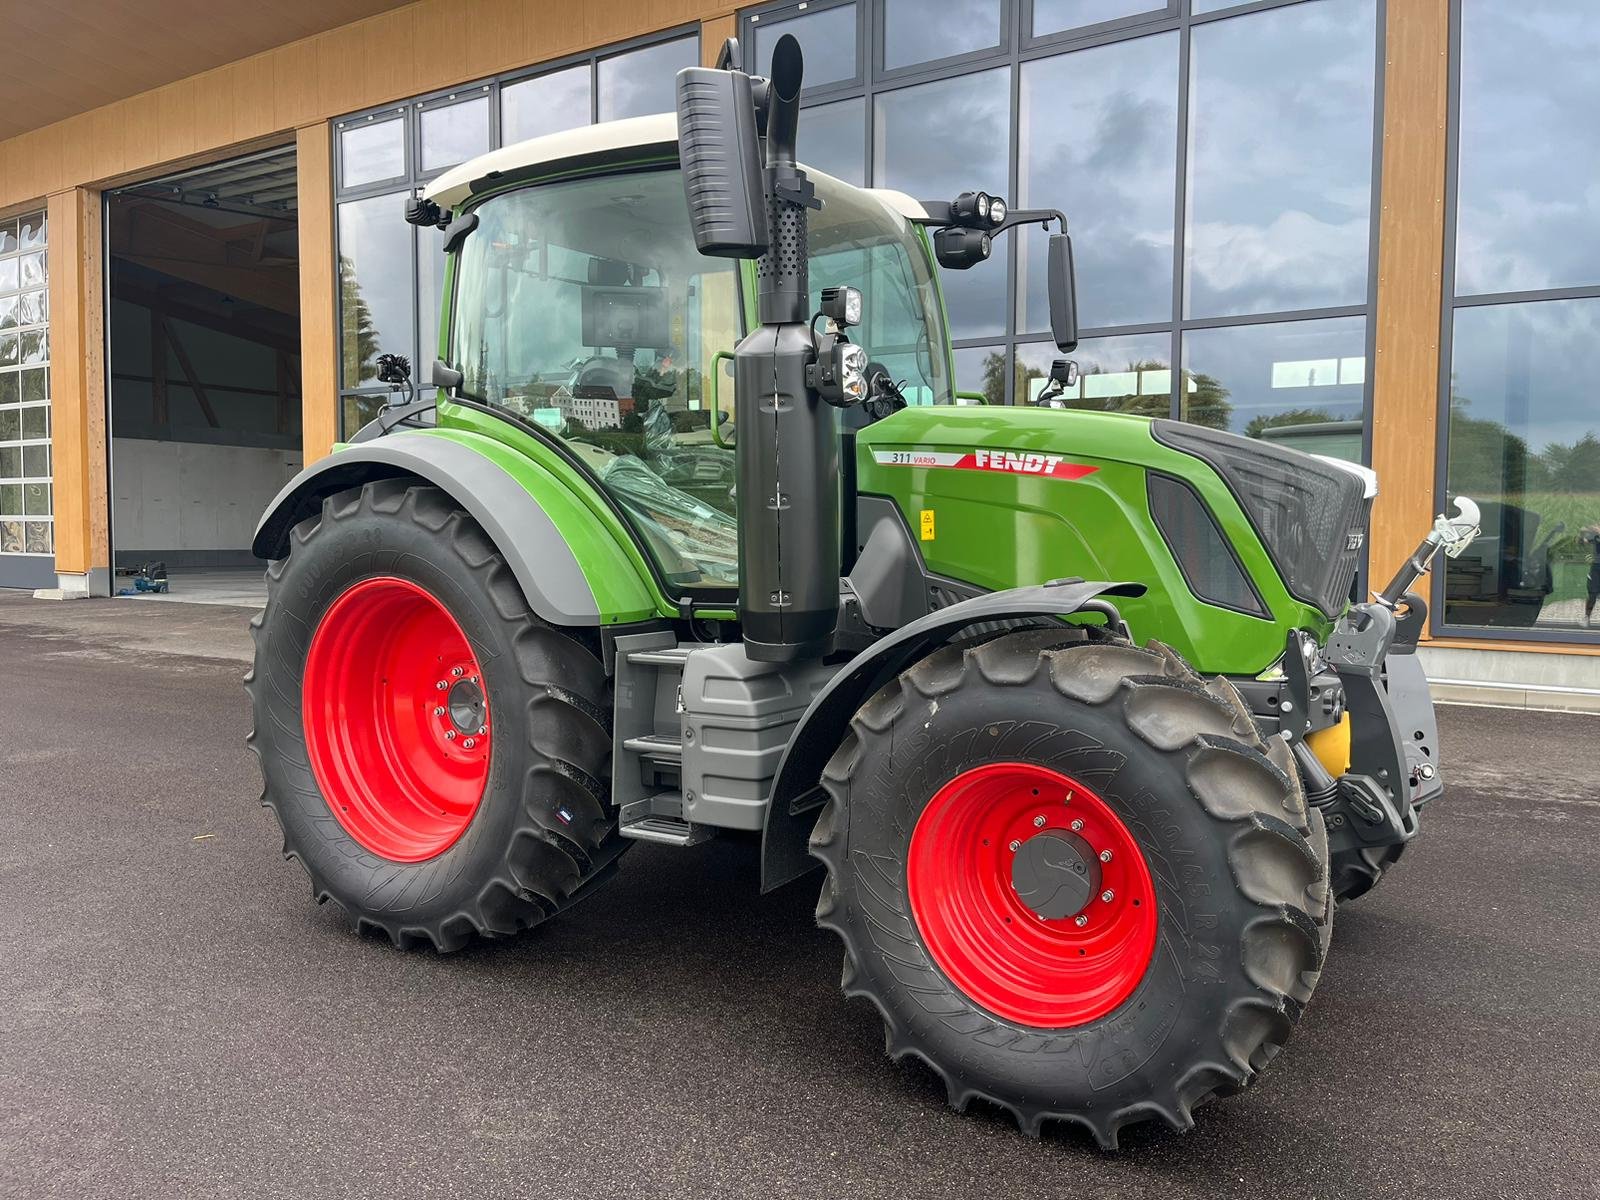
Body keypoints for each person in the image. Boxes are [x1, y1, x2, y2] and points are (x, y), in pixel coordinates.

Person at [1581, 524, 1600, 627]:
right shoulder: (1595, 535)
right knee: (1592, 594)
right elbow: (1583, 542)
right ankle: (1586, 618)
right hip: (1596, 568)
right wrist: (1583, 533)